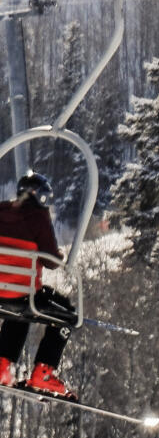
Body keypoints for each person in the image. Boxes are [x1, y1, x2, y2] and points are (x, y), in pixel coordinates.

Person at [0, 171, 77, 401]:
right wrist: (59, 255)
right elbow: (51, 261)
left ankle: (3, 365)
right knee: (67, 313)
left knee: (20, 314)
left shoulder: (2, 209)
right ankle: (43, 372)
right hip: (23, 294)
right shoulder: (38, 217)